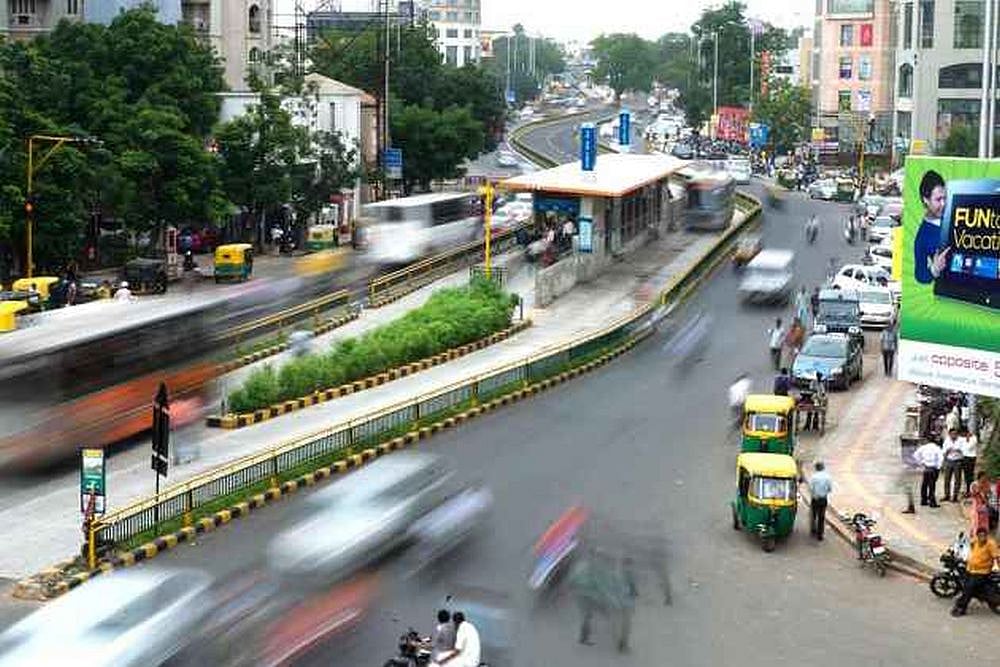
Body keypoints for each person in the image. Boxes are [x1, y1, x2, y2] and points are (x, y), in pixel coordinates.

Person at [950, 527, 1000, 617]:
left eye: (984, 536)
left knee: (968, 588)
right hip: (971, 569)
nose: (982, 538)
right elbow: (968, 544)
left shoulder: (991, 544)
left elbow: (997, 557)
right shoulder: (976, 541)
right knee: (966, 583)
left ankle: (961, 608)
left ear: (987, 536)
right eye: (980, 536)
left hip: (982, 572)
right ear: (978, 536)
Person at [914, 169, 950, 285]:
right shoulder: (923, 236)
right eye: (938, 200)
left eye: (945, 198)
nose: (943, 204)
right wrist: (934, 270)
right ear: (926, 200)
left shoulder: (956, 213)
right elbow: (920, 275)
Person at [913, 439, 943, 508]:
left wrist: (921, 462)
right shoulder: (937, 448)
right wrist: (938, 467)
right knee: (932, 486)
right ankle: (932, 502)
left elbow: (915, 455)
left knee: (924, 484)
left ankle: (923, 500)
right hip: (933, 468)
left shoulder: (923, 447)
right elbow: (941, 458)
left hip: (926, 468)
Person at [808, 461, 832, 541]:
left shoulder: (814, 477)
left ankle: (813, 529)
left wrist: (814, 494)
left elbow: (811, 488)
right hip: (823, 499)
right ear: (823, 467)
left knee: (813, 514)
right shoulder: (828, 477)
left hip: (815, 499)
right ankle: (820, 534)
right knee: (821, 517)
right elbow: (829, 489)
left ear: (816, 468)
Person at [941, 429, 965, 503]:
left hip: (958, 461)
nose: (953, 436)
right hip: (949, 460)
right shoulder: (947, 441)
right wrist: (947, 452)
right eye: (952, 434)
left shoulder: (961, 440)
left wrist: (959, 450)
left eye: (955, 434)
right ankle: (947, 495)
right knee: (947, 479)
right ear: (949, 434)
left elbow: (965, 450)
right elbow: (944, 452)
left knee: (957, 479)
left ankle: (955, 496)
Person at [962, 428, 979, 497]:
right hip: (965, 457)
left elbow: (969, 447)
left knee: (970, 474)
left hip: (971, 457)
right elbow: (962, 448)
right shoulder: (963, 439)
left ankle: (971, 490)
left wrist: (967, 439)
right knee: (966, 475)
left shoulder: (974, 438)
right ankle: (967, 490)